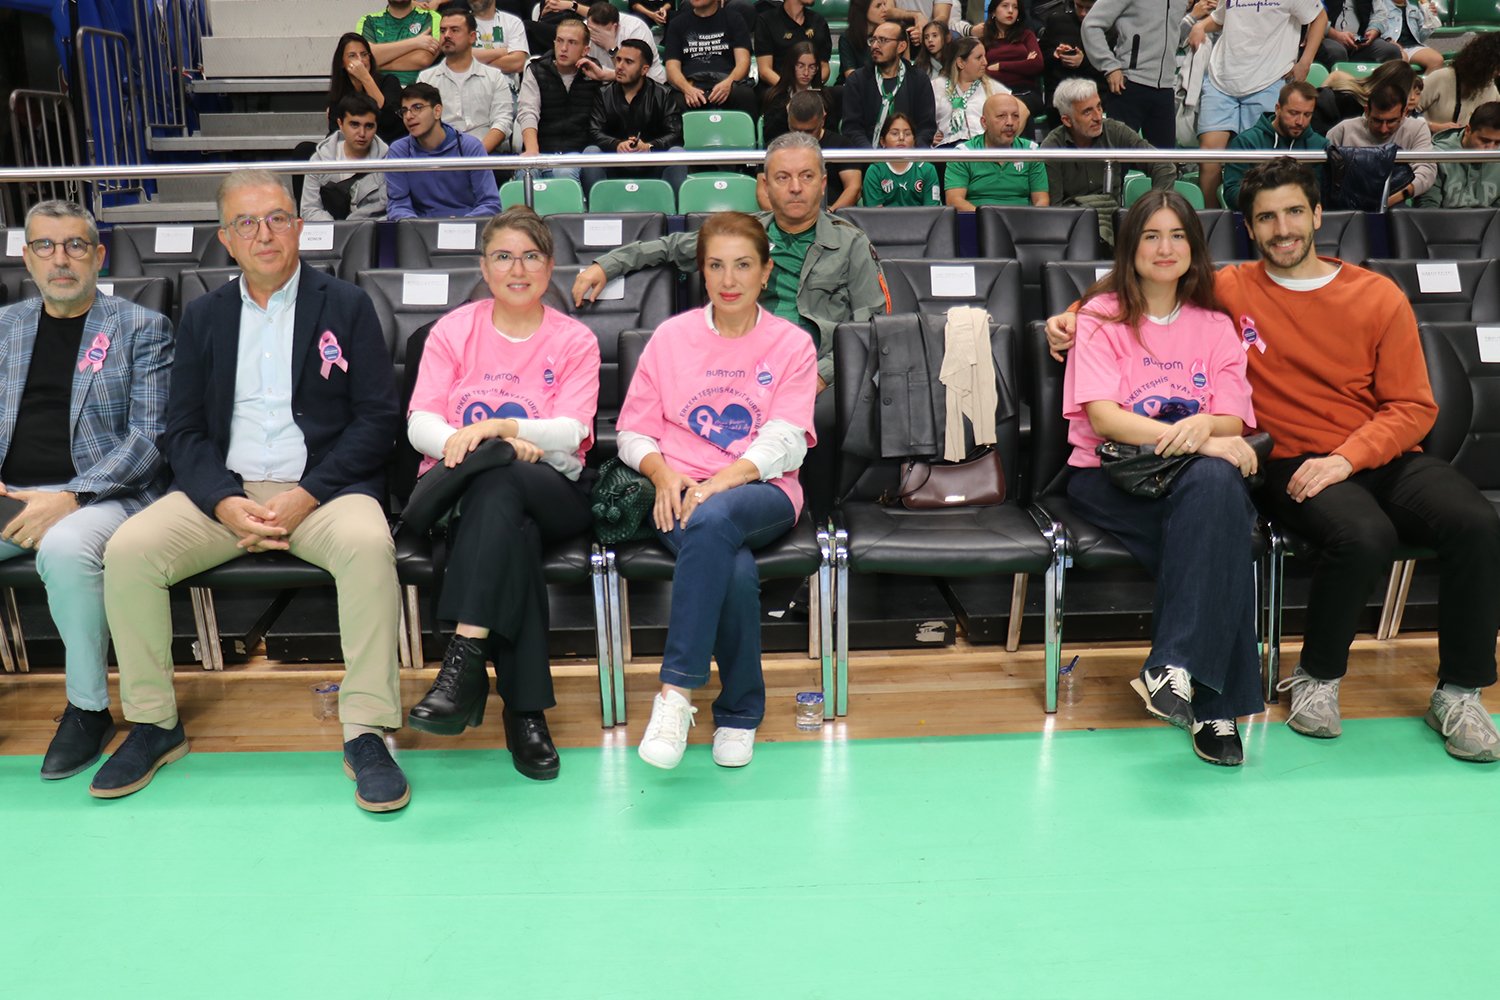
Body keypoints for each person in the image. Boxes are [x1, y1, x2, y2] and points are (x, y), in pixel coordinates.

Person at [1047, 157, 1500, 763]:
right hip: (1273, 460)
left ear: (1317, 215)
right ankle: (1272, 691)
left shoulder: (1375, 294)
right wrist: (1071, 315)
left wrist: (1347, 457)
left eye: (1293, 213)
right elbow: (1140, 281)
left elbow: (1414, 407)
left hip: (1374, 452)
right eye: (1266, 218)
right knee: (1285, 531)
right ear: (1249, 228)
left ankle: (1461, 692)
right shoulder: (1233, 289)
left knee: (1476, 522)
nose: (1282, 229)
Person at [93, 170, 411, 808]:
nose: (264, 234)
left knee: (368, 547)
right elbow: (183, 430)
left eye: (276, 218)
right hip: (226, 493)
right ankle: (154, 723)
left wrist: (307, 494)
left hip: (323, 491)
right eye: (246, 222)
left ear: (299, 227)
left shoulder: (347, 304)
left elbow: (377, 419)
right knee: (128, 551)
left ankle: (366, 728)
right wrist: (222, 499)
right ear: (226, 239)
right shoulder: (204, 316)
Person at [575, 132, 886, 521]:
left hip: (817, 373)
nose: (795, 188)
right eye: (783, 177)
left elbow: (869, 327)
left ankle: (817, 521)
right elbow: (670, 247)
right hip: (743, 367)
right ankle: (727, 502)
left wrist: (822, 374)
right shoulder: (743, 236)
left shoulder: (851, 244)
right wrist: (607, 265)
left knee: (820, 418)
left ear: (823, 184)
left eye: (806, 177)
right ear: (764, 185)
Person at [1061, 191, 1263, 765]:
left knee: (1214, 494)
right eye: (1151, 236)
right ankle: (1215, 705)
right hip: (1112, 474)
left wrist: (1205, 430)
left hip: (1191, 480)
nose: (1165, 248)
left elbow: (1231, 418)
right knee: (1221, 527)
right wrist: (1199, 439)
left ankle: (1174, 669)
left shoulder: (1216, 327)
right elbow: (1105, 418)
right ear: (1130, 247)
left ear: (1194, 248)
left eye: (1177, 235)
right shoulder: (1099, 319)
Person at [404, 207, 600, 780]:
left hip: (555, 489)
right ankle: (525, 712)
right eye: (503, 257)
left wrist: (502, 430)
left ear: (551, 266)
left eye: (531, 256)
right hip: (470, 490)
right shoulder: (452, 331)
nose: (518, 269)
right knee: (505, 507)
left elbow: (572, 431)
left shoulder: (575, 340)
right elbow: (420, 423)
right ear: (484, 267)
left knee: (501, 474)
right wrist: (477, 446)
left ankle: (463, 667)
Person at [618, 211, 818, 770]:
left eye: (743, 265)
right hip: (675, 491)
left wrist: (715, 484)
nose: (729, 280)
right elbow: (633, 432)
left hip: (762, 489)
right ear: (702, 273)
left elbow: (787, 441)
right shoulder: (669, 338)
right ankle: (738, 712)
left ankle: (675, 692)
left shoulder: (792, 344)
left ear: (766, 272)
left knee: (712, 517)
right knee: (732, 567)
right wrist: (663, 474)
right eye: (716, 266)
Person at [0, 201, 172, 781]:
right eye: (45, 246)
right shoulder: (5, 327)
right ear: (27, 258)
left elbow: (150, 438)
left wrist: (71, 497)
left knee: (65, 547)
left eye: (75, 245)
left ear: (99, 256)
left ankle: (88, 710)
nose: (61, 259)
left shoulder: (141, 327)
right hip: (14, 494)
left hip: (105, 496)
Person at [1188, 0, 1325, 208]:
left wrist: (1305, 62)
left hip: (1267, 79)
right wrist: (1201, 26)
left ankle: (1260, 219)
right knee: (1209, 157)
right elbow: (1221, 18)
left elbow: (1320, 17)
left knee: (1259, 163)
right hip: (1221, 78)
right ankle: (1212, 222)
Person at [1040, 76, 1171, 242]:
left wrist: (1155, 210)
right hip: (1073, 228)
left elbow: (1163, 165)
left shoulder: (1115, 131)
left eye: (1099, 107)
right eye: (1087, 112)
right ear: (1067, 120)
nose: (1097, 117)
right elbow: (1056, 210)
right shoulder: (1052, 148)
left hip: (1114, 223)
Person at [1079, 0, 1188, 149]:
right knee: (1117, 158)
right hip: (1128, 85)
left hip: (1166, 88)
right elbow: (1091, 24)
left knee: (1164, 160)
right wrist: (1110, 66)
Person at [385, 82, 502, 220]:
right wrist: (417, 226)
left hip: (466, 226)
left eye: (417, 108)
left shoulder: (470, 147)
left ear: (437, 111)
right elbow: (398, 206)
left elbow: (490, 203)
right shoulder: (399, 151)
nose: (409, 116)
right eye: (404, 111)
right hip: (419, 227)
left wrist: (459, 225)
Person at [517, 17, 611, 182]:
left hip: (579, 153)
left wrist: (605, 76)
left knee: (565, 173)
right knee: (525, 172)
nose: (564, 48)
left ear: (585, 50)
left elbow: (635, 78)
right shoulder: (536, 70)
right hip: (542, 150)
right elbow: (528, 112)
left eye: (572, 43)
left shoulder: (594, 71)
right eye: (559, 41)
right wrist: (532, 152)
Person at [589, 37, 686, 190]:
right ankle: (595, 203)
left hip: (653, 165)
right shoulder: (603, 94)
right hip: (614, 164)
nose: (620, 66)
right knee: (591, 151)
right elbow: (594, 132)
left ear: (644, 70)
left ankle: (675, 205)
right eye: (618, 60)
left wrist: (649, 147)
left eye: (628, 62)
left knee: (677, 152)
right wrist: (617, 144)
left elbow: (675, 134)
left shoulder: (664, 94)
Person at [418, 4, 514, 153]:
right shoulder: (426, 78)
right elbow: (423, 123)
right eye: (443, 31)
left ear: (472, 37)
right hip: (441, 154)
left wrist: (476, 154)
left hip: (486, 154)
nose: (447, 35)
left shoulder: (494, 77)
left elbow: (503, 122)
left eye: (454, 30)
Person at [1326, 81, 1436, 207]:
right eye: (1377, 121)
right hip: (1346, 202)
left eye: (1391, 121)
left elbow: (1426, 170)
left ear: (1404, 112)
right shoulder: (1342, 131)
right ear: (1367, 111)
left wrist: (1393, 198)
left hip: (1394, 200)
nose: (1384, 129)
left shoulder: (1417, 129)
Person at [1222, 82, 1327, 209]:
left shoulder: (1320, 146)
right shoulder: (1247, 142)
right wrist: (1272, 202)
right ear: (1278, 109)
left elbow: (1321, 195)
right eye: (1293, 113)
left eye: (1307, 115)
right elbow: (1232, 194)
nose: (1300, 122)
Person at [843, 17, 939, 147]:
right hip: (867, 155)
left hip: (911, 155)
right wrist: (870, 155)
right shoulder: (857, 80)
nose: (875, 46)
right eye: (873, 40)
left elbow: (926, 127)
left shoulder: (918, 79)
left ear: (901, 46)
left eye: (883, 40)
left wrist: (913, 154)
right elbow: (852, 129)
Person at [757, 92, 862, 211]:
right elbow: (762, 192)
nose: (802, 136)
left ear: (823, 119)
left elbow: (854, 188)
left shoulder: (841, 145)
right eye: (795, 130)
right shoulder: (775, 148)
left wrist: (830, 214)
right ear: (788, 118)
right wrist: (783, 217)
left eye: (809, 131)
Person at [945, 92, 1049, 208]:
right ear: (984, 123)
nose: (1010, 122)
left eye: (1015, 116)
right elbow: (954, 200)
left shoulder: (1031, 150)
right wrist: (985, 218)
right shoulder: (963, 153)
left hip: (1021, 218)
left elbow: (1042, 200)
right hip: (977, 218)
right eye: (1001, 116)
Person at [302, 94, 392, 222]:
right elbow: (309, 210)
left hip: (371, 230)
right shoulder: (319, 160)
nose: (362, 133)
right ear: (340, 124)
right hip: (331, 230)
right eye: (354, 125)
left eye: (369, 126)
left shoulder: (388, 161)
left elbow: (391, 210)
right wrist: (339, 229)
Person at [663, 0, 758, 117]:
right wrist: (686, 89)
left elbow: (743, 62)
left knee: (745, 95)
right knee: (673, 101)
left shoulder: (734, 19)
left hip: (727, 81)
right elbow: (672, 67)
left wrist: (728, 83)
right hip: (691, 83)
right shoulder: (677, 23)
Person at [1413, 101, 1500, 208]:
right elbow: (1428, 207)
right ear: (1468, 130)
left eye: (1497, 143)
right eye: (1484, 141)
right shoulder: (1437, 155)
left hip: (1490, 218)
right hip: (1442, 218)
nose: (1491, 149)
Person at [327, 32, 406, 144]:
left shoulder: (389, 81)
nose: (360, 60)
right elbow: (335, 133)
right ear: (342, 63)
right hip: (353, 147)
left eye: (364, 54)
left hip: (387, 144)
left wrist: (365, 78)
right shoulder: (339, 91)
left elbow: (389, 120)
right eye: (352, 56)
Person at [1416, 32, 1500, 133]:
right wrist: (1433, 126)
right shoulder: (1441, 77)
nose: (1499, 74)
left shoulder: (1491, 88)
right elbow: (1405, 114)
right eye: (1497, 68)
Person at [933, 35, 1009, 146]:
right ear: (961, 63)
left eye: (984, 56)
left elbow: (1022, 110)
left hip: (981, 148)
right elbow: (921, 121)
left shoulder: (992, 87)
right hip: (948, 147)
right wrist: (930, 135)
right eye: (979, 58)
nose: (985, 62)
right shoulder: (936, 86)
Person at [982, 0, 1044, 122]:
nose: (1011, 11)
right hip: (994, 93)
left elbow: (1037, 65)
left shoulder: (1026, 35)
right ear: (993, 11)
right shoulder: (984, 40)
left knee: (1016, 111)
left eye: (1015, 7)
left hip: (1026, 92)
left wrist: (1001, 66)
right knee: (1005, 110)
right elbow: (982, 72)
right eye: (1005, 6)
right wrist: (1023, 65)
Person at [863, 112, 943, 205]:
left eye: (907, 134)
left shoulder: (927, 170)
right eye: (895, 133)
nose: (901, 138)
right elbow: (875, 212)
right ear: (882, 141)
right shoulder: (875, 171)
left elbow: (931, 211)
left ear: (914, 140)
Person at [357, 0, 442, 87]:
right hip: (377, 88)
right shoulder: (369, 20)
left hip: (416, 90)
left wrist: (378, 64)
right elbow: (364, 57)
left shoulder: (431, 17)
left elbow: (423, 59)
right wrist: (415, 42)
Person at [762, 41, 831, 143]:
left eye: (812, 67)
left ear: (817, 69)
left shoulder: (824, 97)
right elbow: (769, 137)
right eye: (800, 66)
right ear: (791, 66)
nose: (806, 73)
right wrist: (785, 112)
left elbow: (831, 135)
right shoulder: (775, 96)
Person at [755, 0, 833, 89]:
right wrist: (792, 90)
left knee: (837, 92)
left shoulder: (818, 21)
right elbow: (765, 71)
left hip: (810, 89)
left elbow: (824, 67)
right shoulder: (767, 20)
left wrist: (810, 88)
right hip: (777, 88)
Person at [586, 2, 668, 85]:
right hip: (605, 86)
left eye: (599, 33)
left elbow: (636, 73)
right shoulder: (585, 28)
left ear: (615, 27)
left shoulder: (636, 29)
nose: (594, 35)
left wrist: (611, 48)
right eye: (592, 30)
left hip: (648, 84)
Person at [1040, 0, 1107, 101]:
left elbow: (1115, 70)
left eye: (1089, 8)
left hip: (1097, 94)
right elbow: (1041, 56)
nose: (1083, 13)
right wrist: (1055, 54)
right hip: (1060, 94)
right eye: (1079, 6)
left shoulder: (1111, 26)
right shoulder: (1056, 20)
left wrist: (1083, 62)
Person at [1319, 0, 1401, 68]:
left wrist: (1373, 30)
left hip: (1360, 40)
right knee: (1337, 51)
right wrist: (1335, 35)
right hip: (1326, 37)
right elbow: (1314, 17)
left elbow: (1380, 13)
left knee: (1391, 51)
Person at [1371, 0, 1443, 75]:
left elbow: (1420, 38)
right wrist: (1388, 41)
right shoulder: (1379, 6)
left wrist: (1430, 19)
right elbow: (1374, 28)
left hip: (1413, 46)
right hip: (1390, 46)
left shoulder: (1414, 9)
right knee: (1402, 58)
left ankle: (1423, 83)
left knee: (1437, 60)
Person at [468, 0, 531, 74]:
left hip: (506, 81)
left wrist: (474, 63)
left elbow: (518, 63)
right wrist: (501, 52)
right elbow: (459, 57)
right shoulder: (459, 23)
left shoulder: (513, 22)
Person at [839, 0, 896, 80]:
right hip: (855, 85)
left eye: (884, 4)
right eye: (878, 6)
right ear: (863, 9)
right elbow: (851, 76)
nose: (885, 9)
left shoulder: (890, 35)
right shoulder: (847, 38)